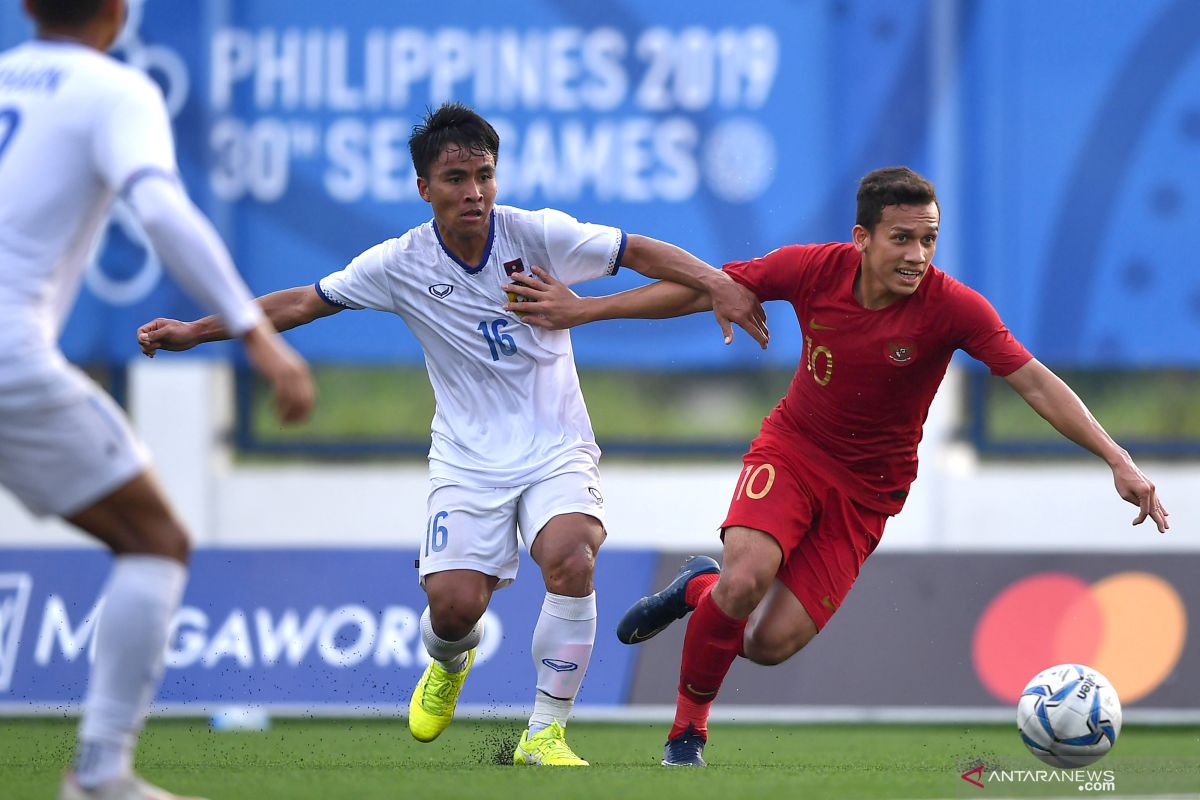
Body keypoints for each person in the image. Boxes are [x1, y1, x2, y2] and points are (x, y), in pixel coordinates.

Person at [136, 101, 765, 767]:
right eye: (457, 178)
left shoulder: (538, 235)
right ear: (423, 189)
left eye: (485, 176)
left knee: (572, 557)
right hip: (467, 461)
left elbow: (636, 250)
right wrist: (195, 331)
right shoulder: (397, 263)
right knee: (455, 607)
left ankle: (545, 734)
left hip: (556, 444)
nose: (474, 192)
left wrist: (716, 283)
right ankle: (447, 661)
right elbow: (299, 302)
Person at [501, 166, 1169, 767]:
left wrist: (1117, 458)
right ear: (862, 238)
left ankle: (695, 591)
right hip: (793, 451)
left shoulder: (952, 308)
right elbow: (708, 289)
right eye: (902, 238)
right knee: (747, 579)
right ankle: (688, 735)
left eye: (929, 239)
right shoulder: (812, 269)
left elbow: (1034, 382)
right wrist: (585, 311)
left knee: (768, 642)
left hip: (867, 494)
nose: (917, 256)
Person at [0, 1, 316, 798]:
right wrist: (255, 332)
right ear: (119, 10)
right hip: (8, 360)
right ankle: (102, 772)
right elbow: (162, 208)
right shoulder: (114, 91)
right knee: (153, 540)